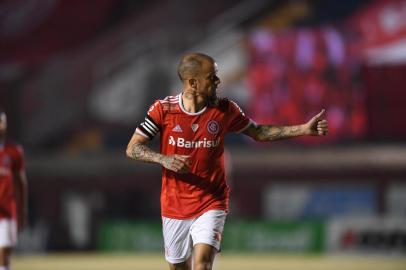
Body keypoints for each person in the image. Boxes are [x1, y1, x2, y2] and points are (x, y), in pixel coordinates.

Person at [126, 53, 328, 270]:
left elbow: (258, 132)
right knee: (178, 267)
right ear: (193, 82)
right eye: (212, 77)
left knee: (202, 264)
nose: (218, 82)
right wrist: (162, 159)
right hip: (174, 204)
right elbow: (132, 148)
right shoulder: (163, 110)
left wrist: (303, 129)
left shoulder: (225, 110)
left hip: (212, 200)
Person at [0, 109, 28, 270]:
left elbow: (21, 182)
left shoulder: (14, 151)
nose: (1, 125)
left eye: (3, 122)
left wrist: (22, 211)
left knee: (4, 254)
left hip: (7, 212)